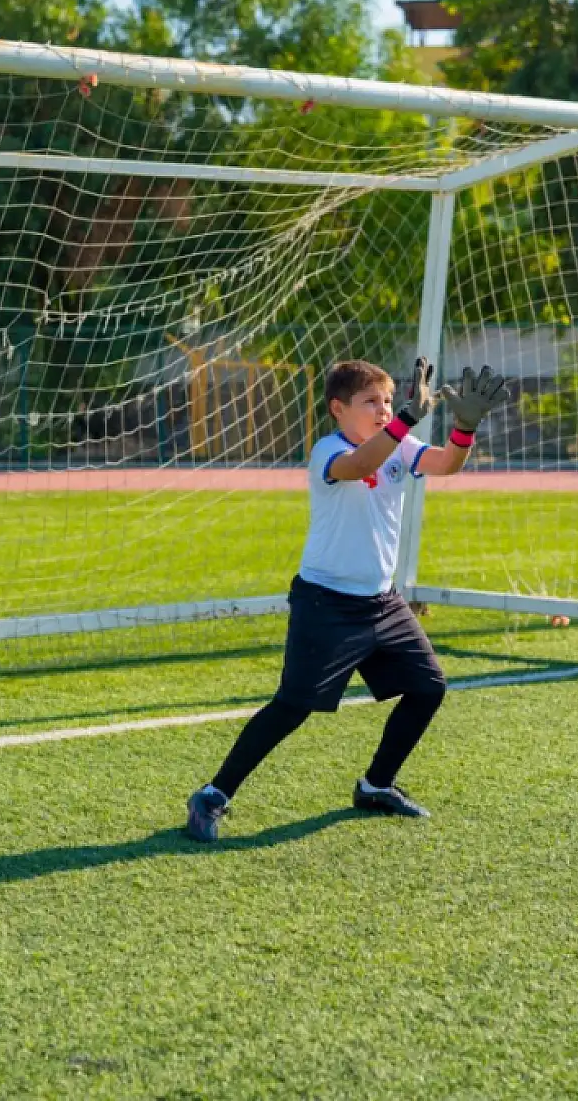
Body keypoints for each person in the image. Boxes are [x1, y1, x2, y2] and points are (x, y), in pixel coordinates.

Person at [184, 357, 510, 842]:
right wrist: (404, 420)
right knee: (292, 706)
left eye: (385, 400)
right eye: (370, 402)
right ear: (338, 409)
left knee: (428, 688)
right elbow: (361, 466)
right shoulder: (328, 452)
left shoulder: (401, 443)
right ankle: (212, 796)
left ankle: (375, 785)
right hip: (327, 604)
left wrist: (465, 424)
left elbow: (447, 464)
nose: (382, 409)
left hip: (383, 603)